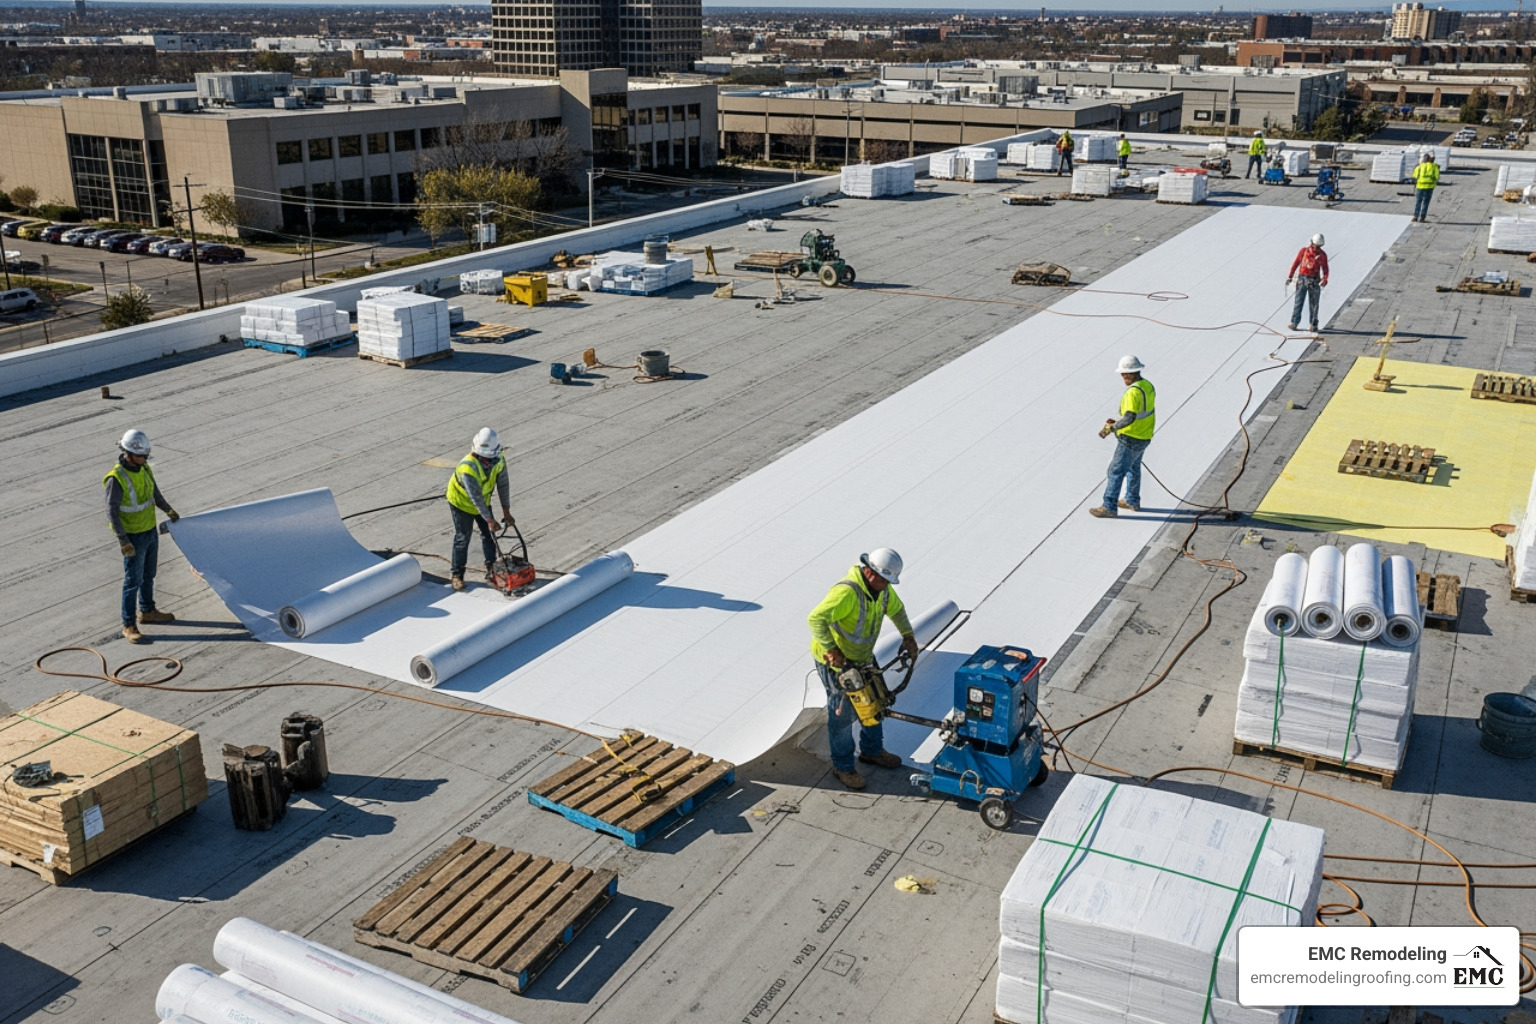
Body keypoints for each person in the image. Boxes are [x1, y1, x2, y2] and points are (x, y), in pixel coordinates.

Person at [808, 549, 920, 791]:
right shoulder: (847, 592)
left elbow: (897, 611)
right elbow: (815, 619)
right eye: (884, 580)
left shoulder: (882, 591)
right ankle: (843, 766)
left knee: (875, 703)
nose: (887, 586)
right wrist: (831, 649)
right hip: (837, 664)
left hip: (862, 658)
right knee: (843, 715)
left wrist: (908, 636)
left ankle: (871, 751)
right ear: (870, 572)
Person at [104, 429, 179, 644]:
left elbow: (154, 492)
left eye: (146, 456)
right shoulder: (116, 478)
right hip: (133, 537)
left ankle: (147, 611)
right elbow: (111, 511)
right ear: (127, 453)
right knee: (132, 581)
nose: (144, 459)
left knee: (149, 574)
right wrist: (123, 540)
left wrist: (168, 509)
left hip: (149, 530)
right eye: (140, 456)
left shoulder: (144, 468)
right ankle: (128, 624)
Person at [445, 427, 515, 591]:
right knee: (463, 538)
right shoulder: (468, 468)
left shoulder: (499, 459)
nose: (488, 462)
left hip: (482, 500)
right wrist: (490, 520)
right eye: (485, 458)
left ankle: (491, 570)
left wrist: (507, 512)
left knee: (489, 536)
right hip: (461, 503)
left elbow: (503, 485)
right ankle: (457, 574)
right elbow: (475, 498)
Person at [1089, 356, 1155, 519]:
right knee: (1133, 468)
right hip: (1144, 435)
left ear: (1131, 373)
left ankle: (1109, 507)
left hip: (1131, 438)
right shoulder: (1147, 386)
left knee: (1116, 471)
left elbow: (1130, 418)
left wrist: (1113, 427)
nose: (1123, 377)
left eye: (1125, 374)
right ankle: (1132, 500)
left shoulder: (1133, 392)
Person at [1286, 233, 1329, 333]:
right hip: (1302, 279)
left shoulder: (1322, 255)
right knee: (1298, 302)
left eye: (1318, 246)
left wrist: (1325, 279)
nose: (1315, 248)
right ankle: (1294, 323)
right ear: (1311, 242)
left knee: (1314, 304)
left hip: (1314, 281)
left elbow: (1325, 269)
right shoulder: (1304, 251)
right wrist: (1290, 276)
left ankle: (1313, 324)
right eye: (1315, 246)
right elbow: (1296, 263)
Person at [1410, 150, 1440, 222]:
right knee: (1426, 202)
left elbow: (1414, 176)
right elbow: (1437, 177)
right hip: (1429, 187)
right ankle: (1422, 217)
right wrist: (1434, 184)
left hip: (1420, 186)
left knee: (1418, 201)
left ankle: (1415, 216)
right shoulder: (1434, 167)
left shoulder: (1420, 166)